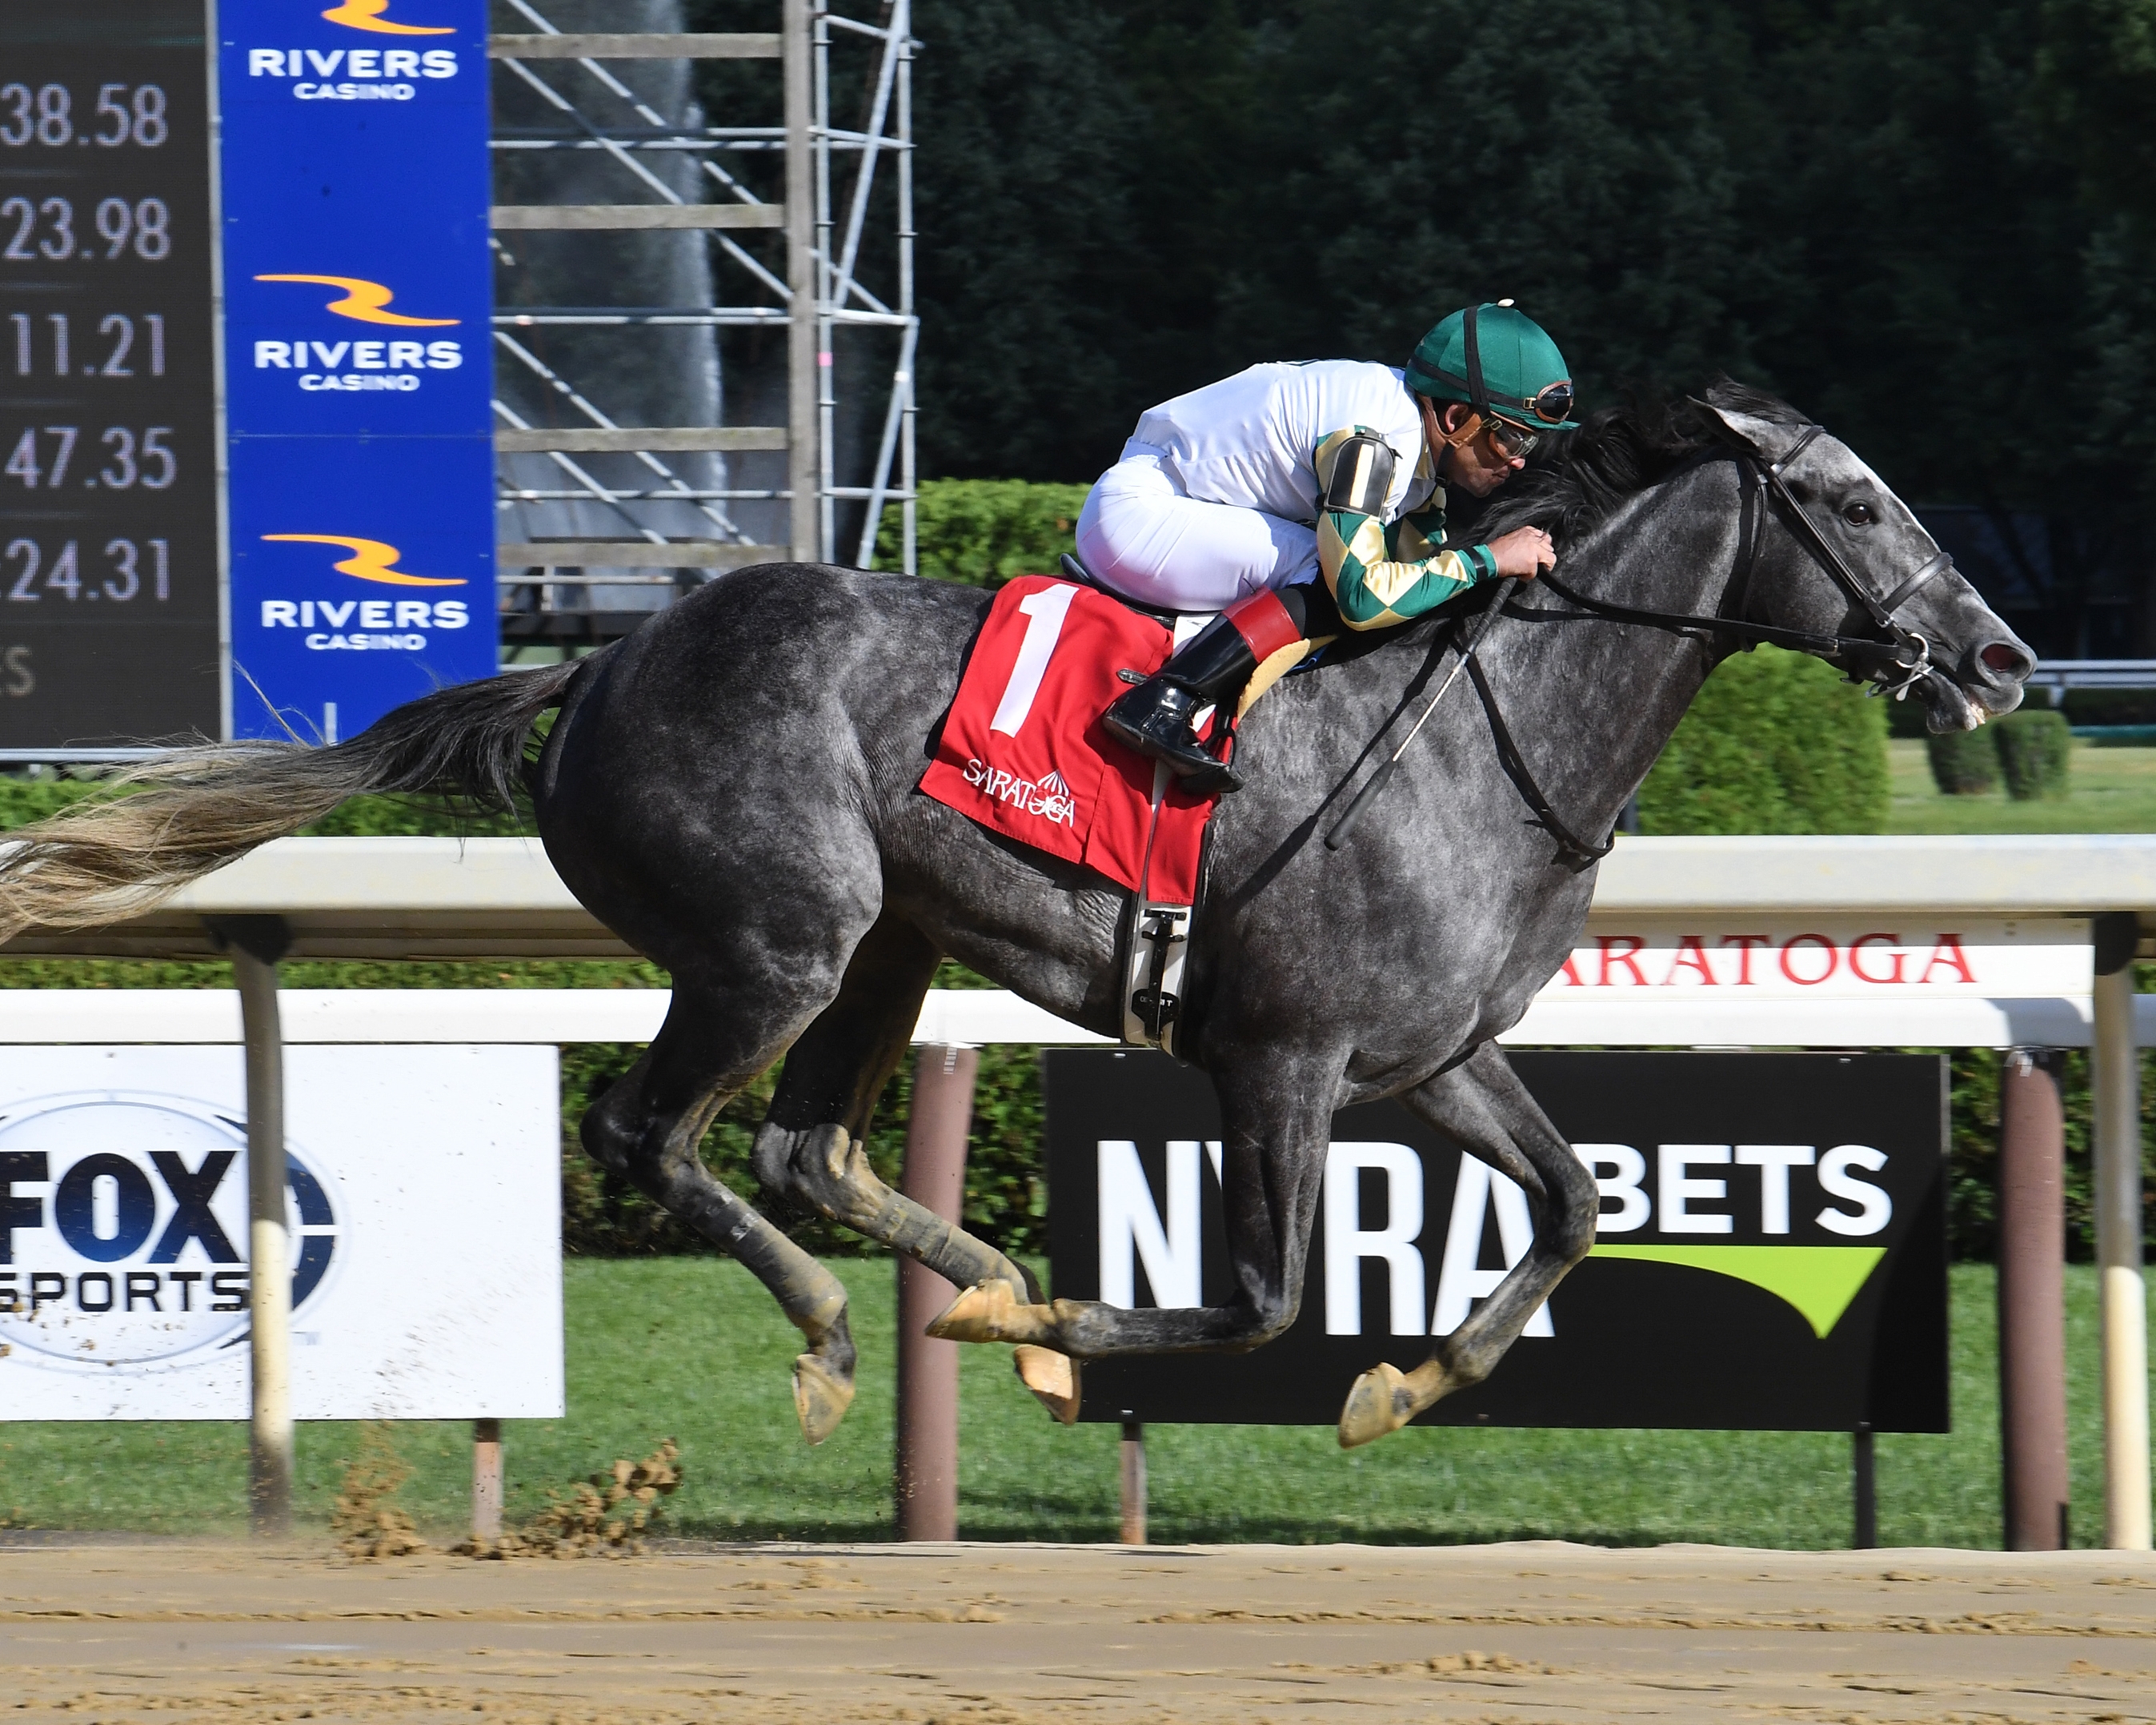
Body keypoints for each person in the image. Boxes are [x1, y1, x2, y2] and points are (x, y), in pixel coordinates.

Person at [1085, 302, 1574, 792]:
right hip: (1140, 514)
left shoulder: (1416, 449)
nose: (1517, 463)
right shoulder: (1374, 443)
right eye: (1511, 439)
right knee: (1325, 572)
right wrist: (1488, 558)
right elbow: (1362, 597)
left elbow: (1419, 572)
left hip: (1172, 503)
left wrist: (1482, 570)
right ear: (1456, 416)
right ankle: (1164, 700)